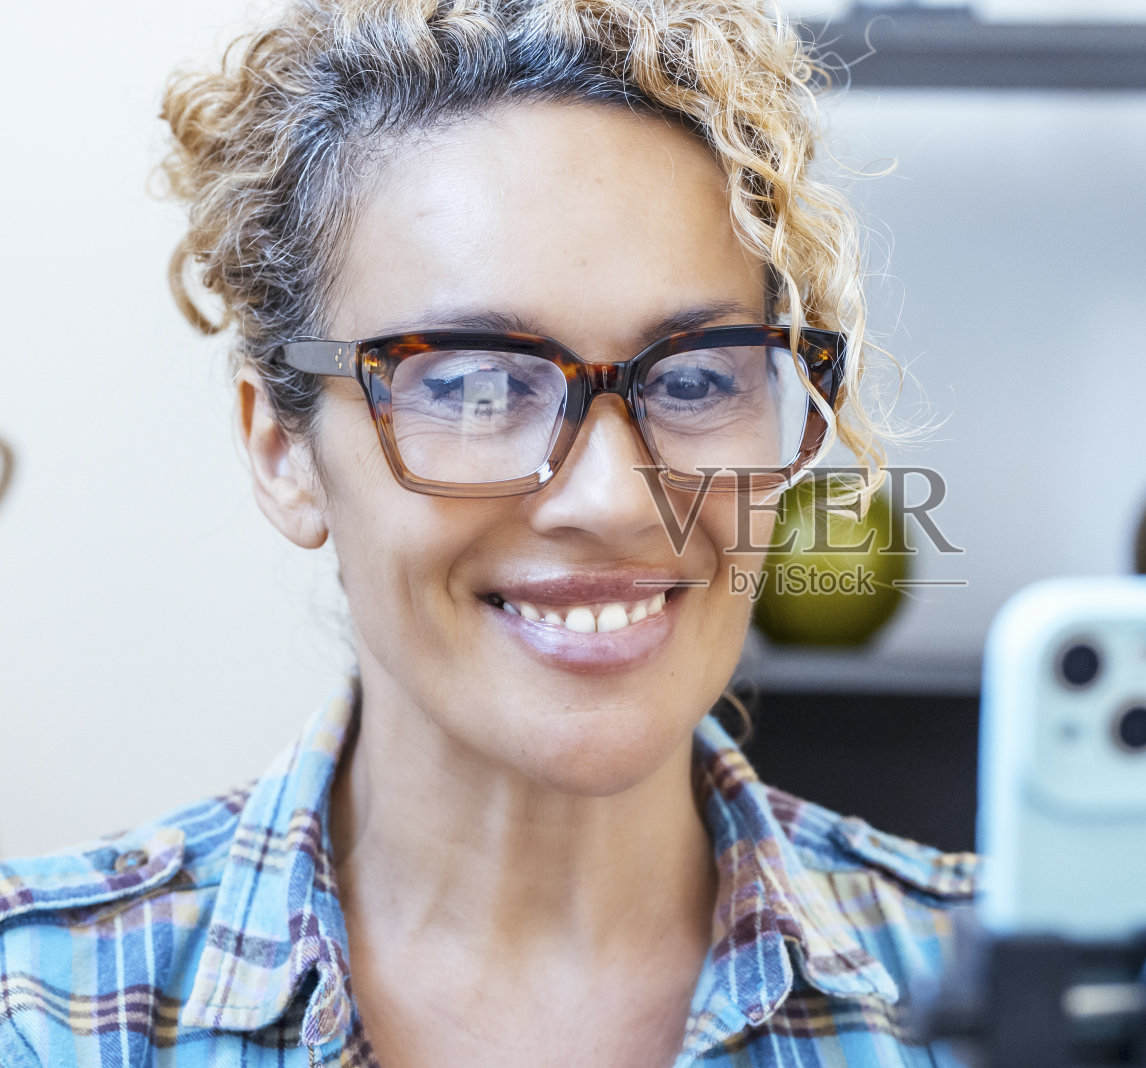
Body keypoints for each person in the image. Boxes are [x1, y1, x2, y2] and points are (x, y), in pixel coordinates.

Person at [0, 1, 977, 1065]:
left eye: (696, 379)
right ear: (283, 452)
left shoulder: (1015, 995)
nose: (613, 499)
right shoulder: (40, 1009)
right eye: (471, 387)